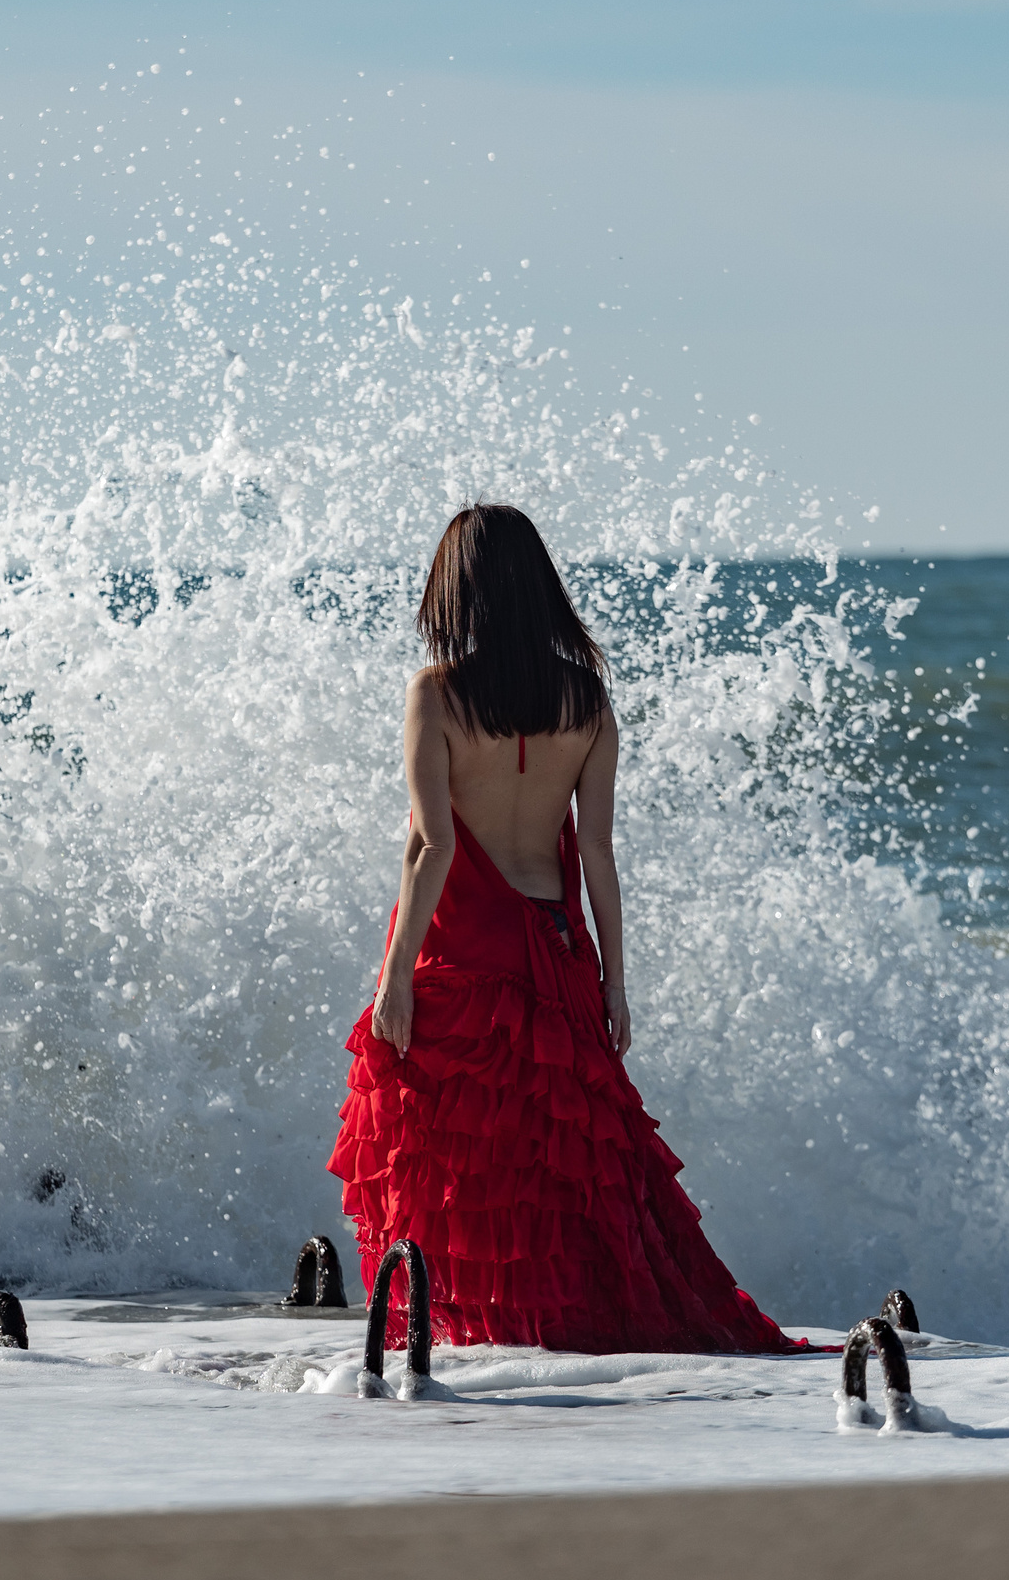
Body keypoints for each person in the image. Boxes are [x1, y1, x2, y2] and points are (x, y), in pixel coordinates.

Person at [327, 504, 808, 1354]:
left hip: (462, 959)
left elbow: (431, 845)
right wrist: (615, 984)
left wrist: (394, 977)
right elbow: (597, 855)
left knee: (456, 1173)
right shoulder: (585, 698)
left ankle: (476, 1345)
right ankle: (560, 1341)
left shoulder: (435, 693)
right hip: (556, 957)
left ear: (458, 590)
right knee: (557, 1171)